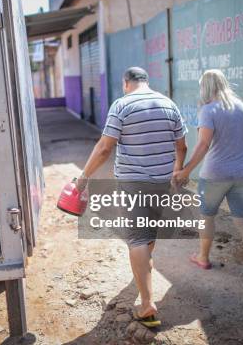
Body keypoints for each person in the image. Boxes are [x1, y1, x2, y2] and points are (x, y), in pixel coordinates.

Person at [76, 67, 187, 327]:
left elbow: (105, 147)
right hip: (162, 183)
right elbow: (181, 145)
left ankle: (147, 304)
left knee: (137, 238)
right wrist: (176, 171)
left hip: (133, 184)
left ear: (126, 83)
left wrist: (84, 177)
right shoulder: (169, 104)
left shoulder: (122, 105)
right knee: (148, 234)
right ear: (147, 82)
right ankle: (143, 272)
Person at [173, 69, 243, 298]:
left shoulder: (208, 110)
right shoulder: (242, 107)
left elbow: (204, 144)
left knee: (207, 217)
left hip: (215, 174)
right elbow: (240, 137)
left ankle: (203, 258)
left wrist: (186, 169)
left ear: (205, 87)